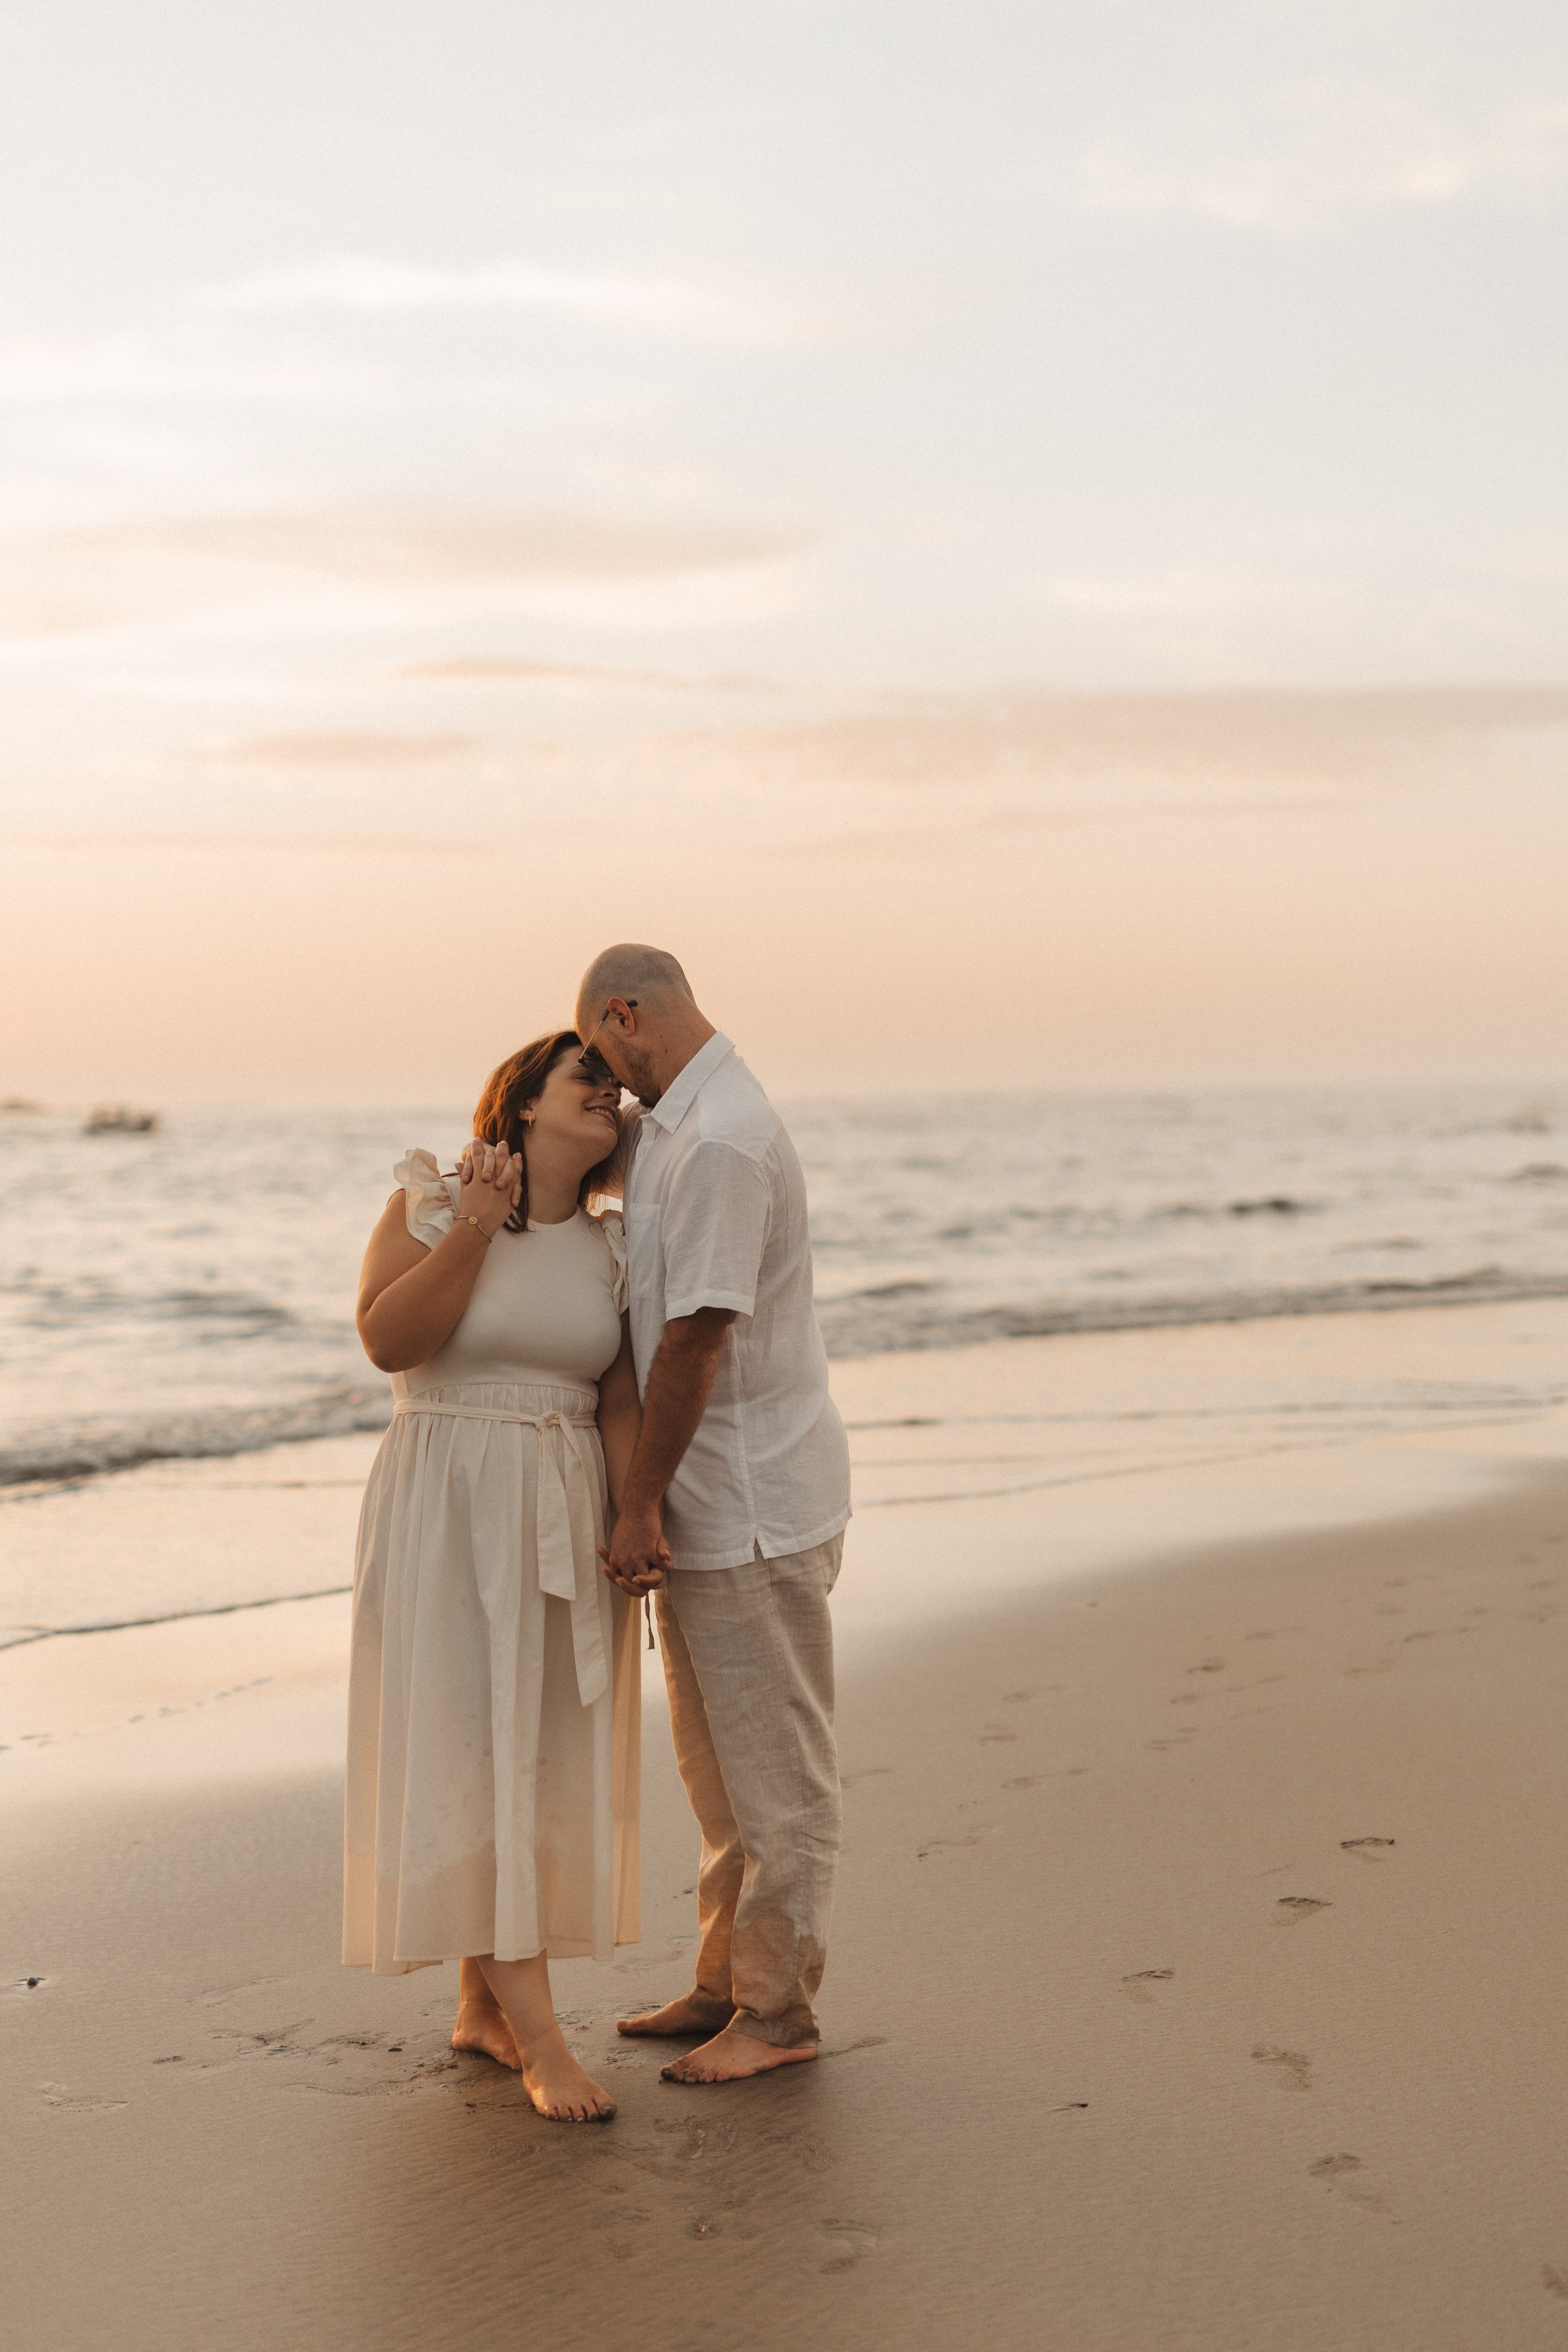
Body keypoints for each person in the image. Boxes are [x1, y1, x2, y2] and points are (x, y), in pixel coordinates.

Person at [342, 1031, 662, 2123]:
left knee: (530, 1753)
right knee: (475, 1751)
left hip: (563, 1508)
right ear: (522, 1104)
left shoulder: (614, 1246)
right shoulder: (432, 1203)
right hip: (448, 1505)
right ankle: (539, 2043)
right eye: (589, 1084)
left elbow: (618, 1400)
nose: (610, 1102)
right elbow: (391, 1341)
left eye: (618, 1092)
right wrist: (476, 1228)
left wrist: (633, 1518)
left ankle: (481, 2006)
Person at [573, 944, 852, 2084]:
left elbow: (696, 1336)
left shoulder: (726, 1139)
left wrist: (638, 1504)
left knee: (777, 1779)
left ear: (625, 1015)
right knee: (715, 1773)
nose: (600, 1079)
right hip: (709, 1503)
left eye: (597, 1050)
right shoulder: (676, 1127)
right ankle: (725, 1981)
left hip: (750, 1506)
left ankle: (780, 2017)